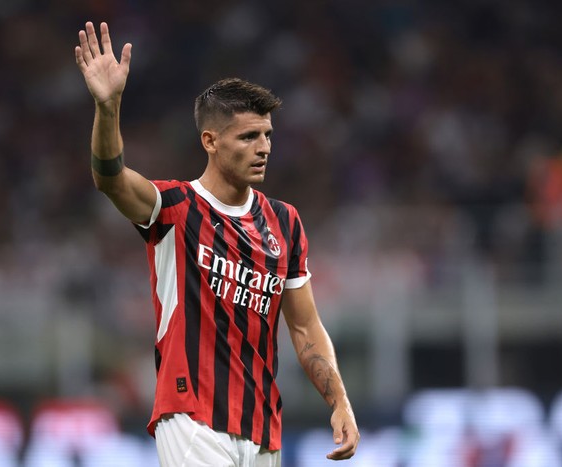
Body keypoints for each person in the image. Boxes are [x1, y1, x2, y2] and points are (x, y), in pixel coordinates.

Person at [75, 21, 359, 465]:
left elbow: (305, 328)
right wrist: (108, 107)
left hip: (264, 427)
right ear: (210, 140)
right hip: (192, 418)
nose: (263, 147)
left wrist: (339, 400)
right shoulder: (174, 207)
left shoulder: (284, 222)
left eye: (267, 135)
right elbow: (109, 179)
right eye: (248, 136)